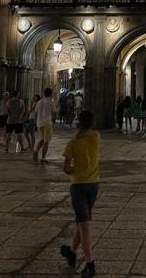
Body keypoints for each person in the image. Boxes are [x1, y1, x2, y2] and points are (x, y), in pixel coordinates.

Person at [59, 110, 100, 278]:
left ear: (79, 123)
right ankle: (72, 251)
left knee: (84, 225)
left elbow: (66, 168)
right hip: (94, 185)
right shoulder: (96, 137)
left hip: (78, 186)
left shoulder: (73, 143)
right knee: (82, 220)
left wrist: (75, 169)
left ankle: (90, 263)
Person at [33, 87, 55, 162]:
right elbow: (54, 112)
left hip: (39, 123)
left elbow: (35, 113)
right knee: (46, 141)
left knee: (42, 139)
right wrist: (53, 121)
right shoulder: (51, 102)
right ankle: (43, 158)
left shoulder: (39, 102)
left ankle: (36, 150)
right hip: (47, 123)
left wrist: (35, 122)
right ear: (50, 94)